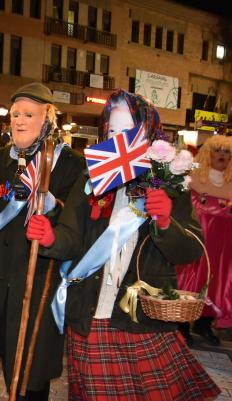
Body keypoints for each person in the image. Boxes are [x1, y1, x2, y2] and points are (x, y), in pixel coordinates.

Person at [27, 89, 220, 400]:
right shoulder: (91, 179)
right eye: (113, 131)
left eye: (129, 132)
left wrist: (166, 223)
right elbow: (71, 236)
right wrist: (51, 238)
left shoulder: (169, 181)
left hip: (140, 317)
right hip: (91, 313)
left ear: (148, 133)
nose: (120, 141)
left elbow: (191, 250)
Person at [0, 82, 84, 400]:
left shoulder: (69, 163)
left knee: (32, 372)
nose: (19, 120)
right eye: (15, 114)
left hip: (39, 280)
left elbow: (75, 224)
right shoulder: (0, 159)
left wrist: (53, 230)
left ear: (47, 119)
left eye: (29, 114)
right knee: (8, 358)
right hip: (1, 282)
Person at [178, 135, 232, 345]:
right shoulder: (193, 177)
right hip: (197, 242)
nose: (222, 155)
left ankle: (203, 324)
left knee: (217, 281)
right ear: (208, 153)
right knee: (191, 279)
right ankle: (182, 325)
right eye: (218, 150)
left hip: (223, 246)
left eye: (227, 152)